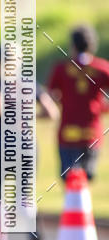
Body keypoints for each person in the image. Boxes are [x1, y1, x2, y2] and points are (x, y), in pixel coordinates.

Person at [0, 45, 59, 240]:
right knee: (24, 193)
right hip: (27, 143)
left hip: (3, 142)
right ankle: (32, 219)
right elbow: (52, 112)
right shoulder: (30, 84)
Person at [47, 24, 109, 182]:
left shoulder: (61, 68)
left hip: (68, 133)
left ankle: (73, 207)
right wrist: (101, 107)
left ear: (73, 45)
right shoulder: (102, 69)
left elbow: (51, 96)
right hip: (91, 133)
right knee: (85, 180)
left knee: (70, 180)